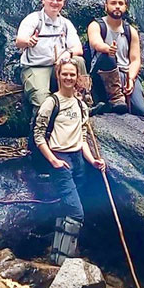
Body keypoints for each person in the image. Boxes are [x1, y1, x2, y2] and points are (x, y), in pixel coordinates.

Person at [34, 57, 106, 262]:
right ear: (58, 75)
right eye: (64, 73)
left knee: (68, 208)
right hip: (60, 158)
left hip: (78, 160)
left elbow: (82, 137)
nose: (68, 77)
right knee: (76, 212)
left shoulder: (81, 105)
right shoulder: (51, 103)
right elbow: (38, 136)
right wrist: (53, 160)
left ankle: (56, 255)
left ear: (77, 78)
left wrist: (92, 160)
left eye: (72, 74)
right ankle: (64, 261)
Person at [16, 0, 82, 121]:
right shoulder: (33, 19)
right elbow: (19, 41)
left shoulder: (66, 24)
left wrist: (67, 54)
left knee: (78, 61)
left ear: (63, 2)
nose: (54, 2)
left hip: (58, 67)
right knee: (42, 103)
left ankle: (82, 100)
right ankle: (40, 131)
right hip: (36, 67)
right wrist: (29, 41)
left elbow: (78, 49)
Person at [86, 0, 144, 116]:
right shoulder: (96, 25)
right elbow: (95, 42)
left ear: (125, 6)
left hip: (125, 73)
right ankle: (114, 98)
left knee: (140, 111)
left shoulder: (130, 31)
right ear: (106, 6)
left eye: (121, 3)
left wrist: (131, 79)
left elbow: (135, 60)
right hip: (102, 73)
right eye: (113, 3)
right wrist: (107, 48)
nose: (117, 6)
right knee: (108, 56)